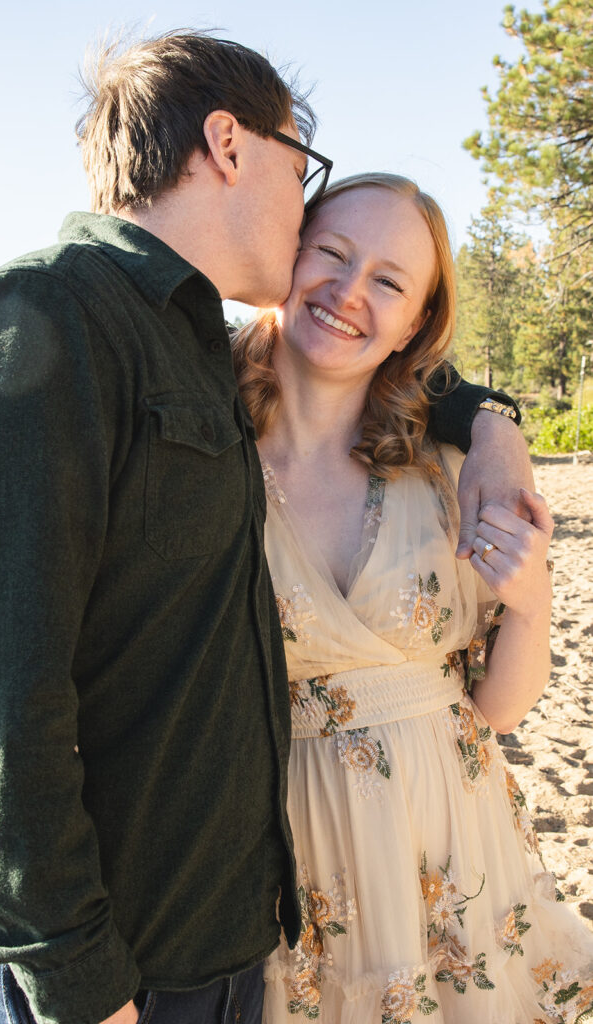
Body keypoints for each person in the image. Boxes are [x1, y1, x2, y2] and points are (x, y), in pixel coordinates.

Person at [0, 32, 534, 1024]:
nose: (305, 208)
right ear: (231, 146)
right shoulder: (46, 317)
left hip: (227, 952)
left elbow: (383, 368)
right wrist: (79, 984)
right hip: (96, 977)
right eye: (304, 172)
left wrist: (494, 423)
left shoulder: (196, 342)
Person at [232, 173, 593, 1023]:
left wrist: (532, 600)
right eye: (331, 251)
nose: (350, 292)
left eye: (390, 281)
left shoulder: (449, 470)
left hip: (451, 845)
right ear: (290, 252)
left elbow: (496, 712)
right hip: (282, 858)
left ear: (416, 322)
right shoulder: (206, 449)